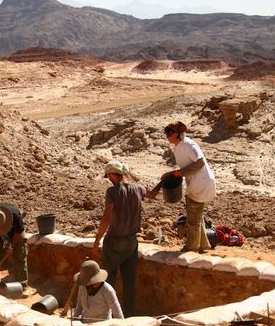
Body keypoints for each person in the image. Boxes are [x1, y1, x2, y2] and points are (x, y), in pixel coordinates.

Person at [146, 122, 216, 252]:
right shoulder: (178, 146)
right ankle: (203, 244)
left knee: (193, 217)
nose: (167, 136)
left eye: (169, 133)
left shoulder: (189, 144)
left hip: (201, 183)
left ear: (177, 134)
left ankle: (192, 247)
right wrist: (175, 173)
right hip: (195, 183)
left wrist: (178, 173)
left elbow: (199, 163)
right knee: (196, 215)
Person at [91, 160, 144, 315]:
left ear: (114, 174)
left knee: (108, 278)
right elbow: (153, 194)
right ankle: (128, 313)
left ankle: (106, 314)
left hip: (114, 241)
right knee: (129, 281)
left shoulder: (112, 192)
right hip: (132, 242)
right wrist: (165, 181)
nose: (108, 179)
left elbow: (106, 218)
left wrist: (96, 242)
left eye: (108, 176)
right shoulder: (139, 188)